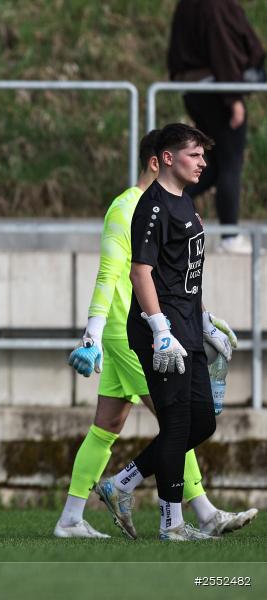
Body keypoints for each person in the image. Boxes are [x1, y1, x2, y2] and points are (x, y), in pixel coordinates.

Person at [58, 130, 257, 539]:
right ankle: (195, 515)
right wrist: (94, 335)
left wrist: (203, 319)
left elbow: (186, 273)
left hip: (164, 325)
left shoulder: (185, 203)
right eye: (194, 155)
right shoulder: (131, 207)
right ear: (160, 160)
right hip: (141, 330)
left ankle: (73, 516)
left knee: (110, 426)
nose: (202, 163)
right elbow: (115, 273)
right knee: (177, 421)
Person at [168, 0, 265, 254]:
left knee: (210, 166)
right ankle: (230, 237)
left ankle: (156, 204)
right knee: (230, 164)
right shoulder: (215, 6)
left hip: (194, 91)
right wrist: (233, 98)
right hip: (217, 90)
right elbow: (222, 48)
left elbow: (175, 53)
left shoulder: (187, 5)